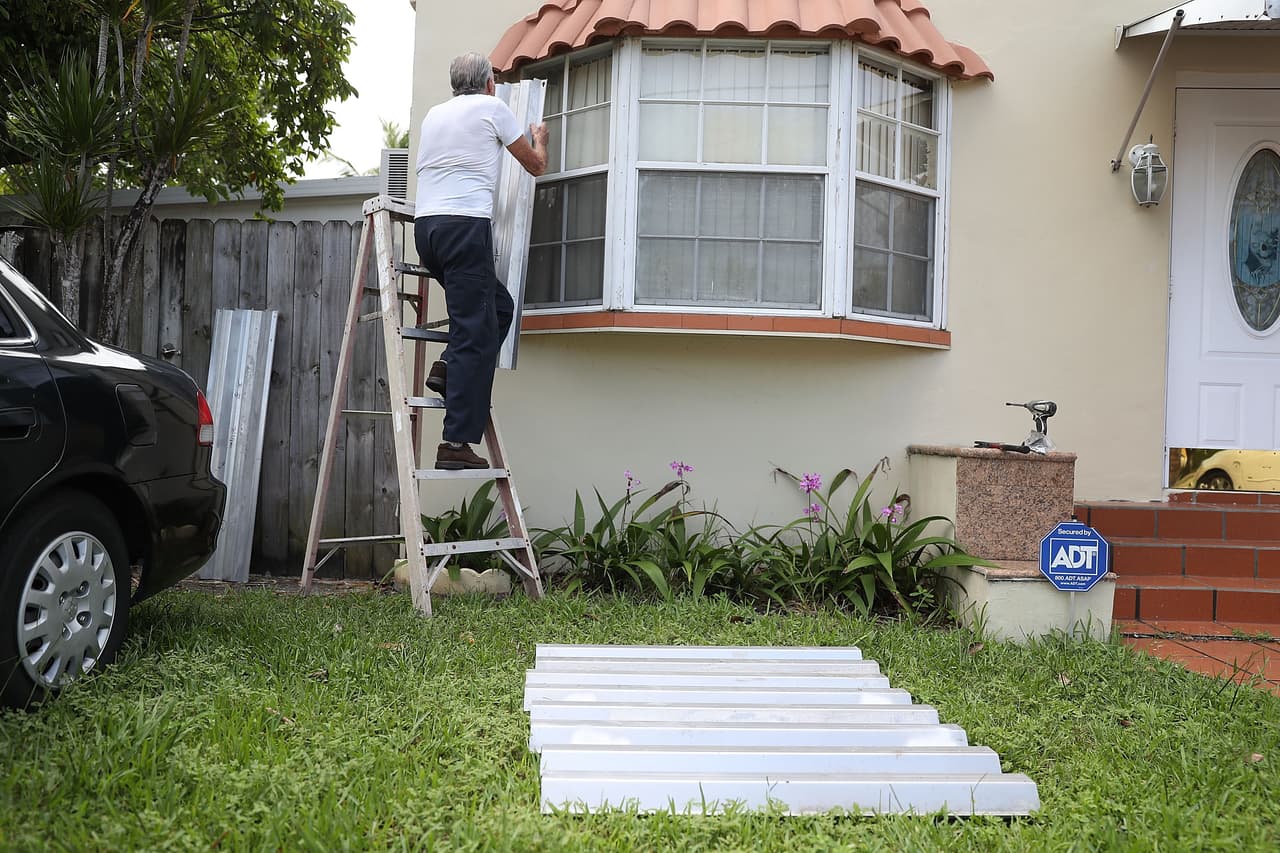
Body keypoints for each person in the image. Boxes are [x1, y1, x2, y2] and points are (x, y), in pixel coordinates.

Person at [414, 52, 548, 470]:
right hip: (464, 229)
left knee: (499, 308)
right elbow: (536, 166)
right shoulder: (493, 108)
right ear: (490, 83)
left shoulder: (434, 115)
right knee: (475, 332)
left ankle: (448, 367)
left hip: (428, 232)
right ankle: (454, 445)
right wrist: (538, 135)